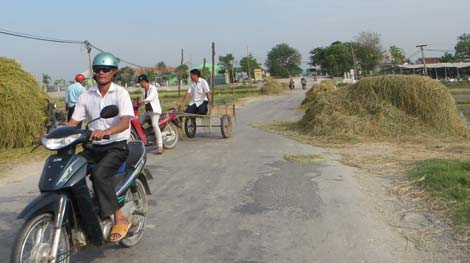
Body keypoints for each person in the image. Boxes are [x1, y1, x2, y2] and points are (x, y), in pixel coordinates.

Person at [67, 52, 134, 242]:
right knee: (70, 171)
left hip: (116, 146)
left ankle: (119, 217)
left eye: (106, 69)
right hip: (93, 147)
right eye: (98, 70)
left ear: (113, 72)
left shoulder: (121, 93)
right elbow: (74, 121)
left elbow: (125, 122)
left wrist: (108, 132)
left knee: (99, 175)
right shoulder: (86, 95)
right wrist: (51, 134)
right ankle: (83, 214)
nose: (102, 73)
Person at [137, 74, 164, 154]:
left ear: (144, 81)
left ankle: (160, 146)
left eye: (140, 82)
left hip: (155, 111)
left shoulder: (153, 88)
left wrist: (144, 101)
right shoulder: (144, 90)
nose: (140, 84)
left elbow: (151, 97)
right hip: (148, 111)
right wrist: (138, 102)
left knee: (155, 125)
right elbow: (142, 98)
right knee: (139, 123)